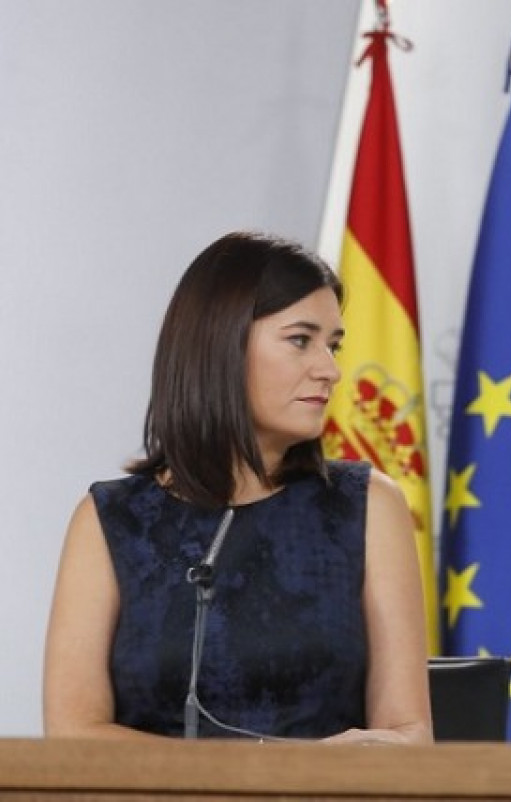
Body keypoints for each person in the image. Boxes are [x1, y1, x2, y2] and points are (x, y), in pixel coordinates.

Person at [43, 231, 432, 743]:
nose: (331, 370)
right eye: (301, 340)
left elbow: (408, 734)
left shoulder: (367, 506)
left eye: (333, 345)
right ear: (221, 345)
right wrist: (277, 769)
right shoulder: (111, 519)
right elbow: (74, 736)